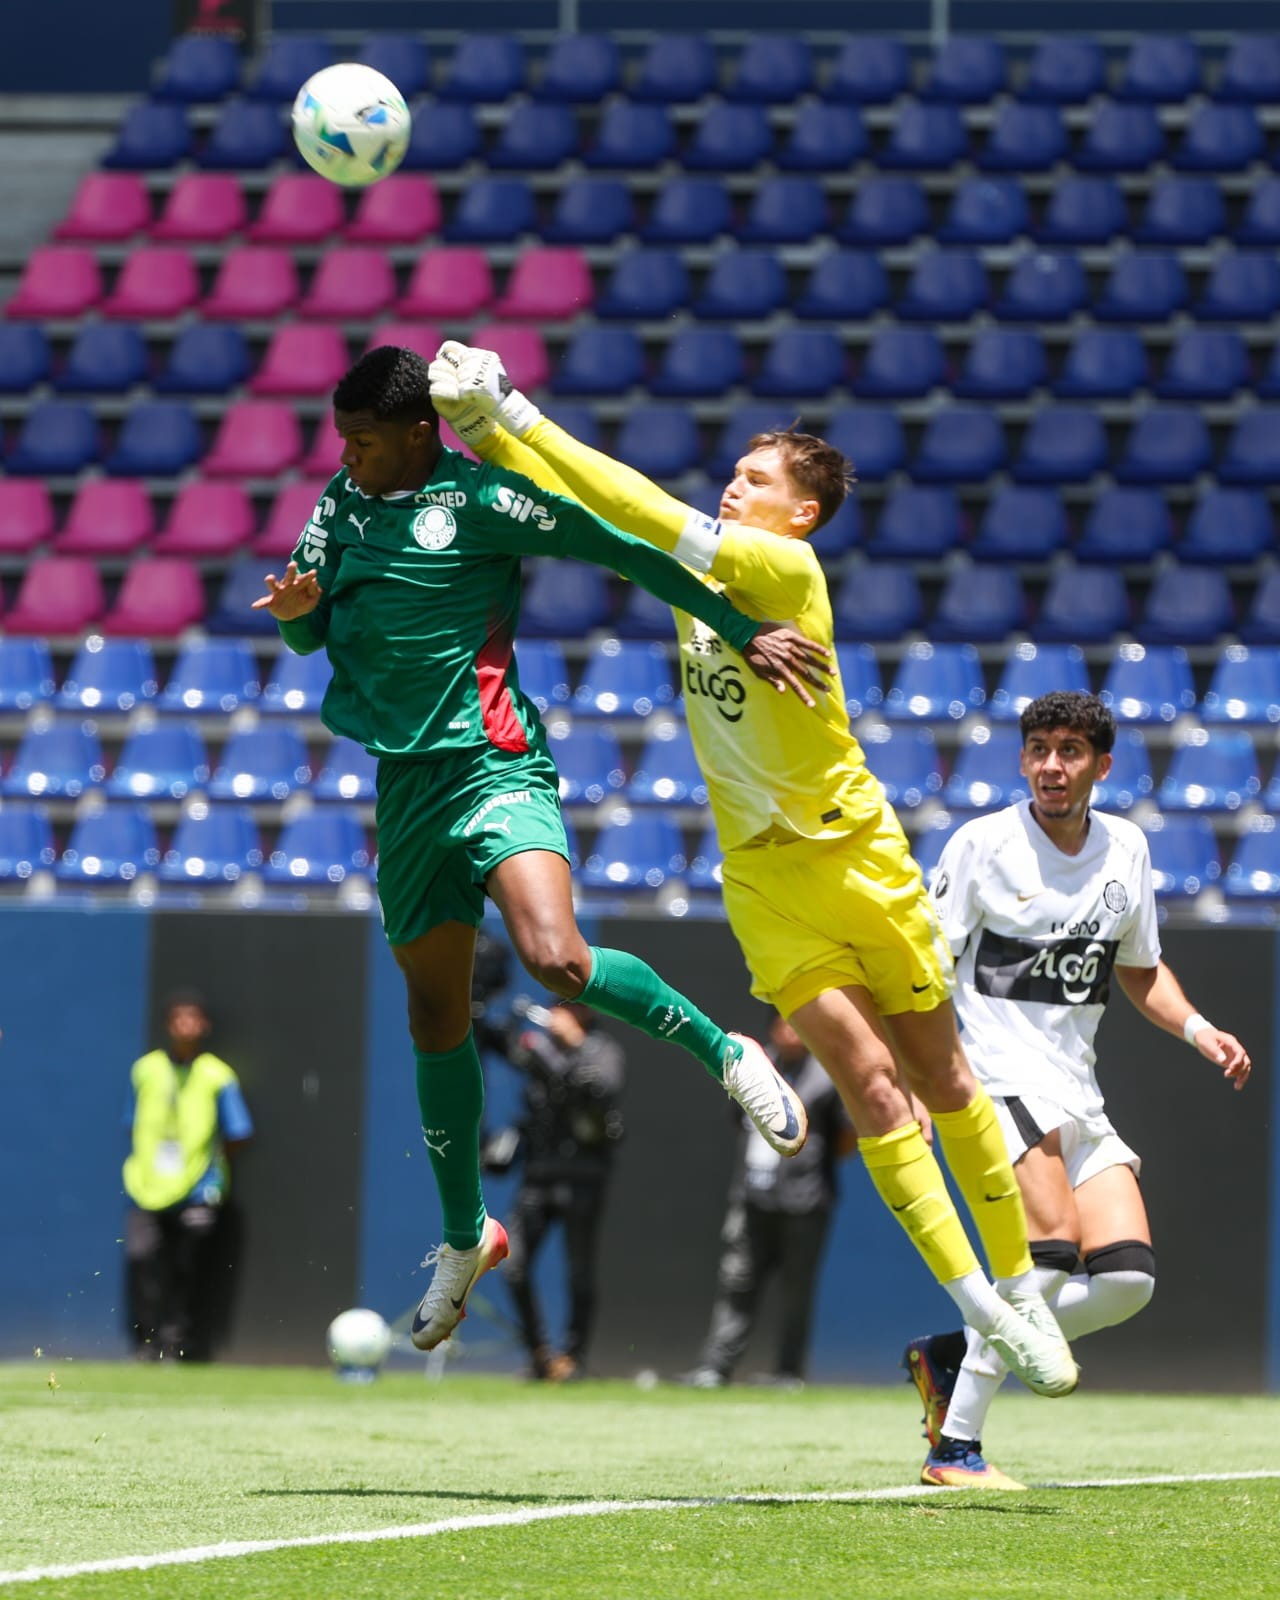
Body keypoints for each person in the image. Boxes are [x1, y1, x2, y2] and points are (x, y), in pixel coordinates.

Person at [425, 341, 1079, 1399]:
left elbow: (633, 499)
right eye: (735, 471)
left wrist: (516, 411)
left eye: (758, 479)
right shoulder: (703, 571)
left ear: (800, 514)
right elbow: (599, 518)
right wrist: (489, 435)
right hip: (761, 879)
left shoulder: (781, 569)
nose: (735, 483)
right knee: (867, 1088)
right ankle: (984, 1309)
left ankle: (1019, 1280)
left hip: (851, 857)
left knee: (939, 1077)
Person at [252, 345, 831, 1355]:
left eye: (366, 441)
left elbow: (619, 546)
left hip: (493, 762)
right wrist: (300, 620)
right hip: (406, 784)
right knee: (436, 1012)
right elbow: (315, 626)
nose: (347, 459)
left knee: (554, 955)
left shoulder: (487, 502)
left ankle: (721, 1050)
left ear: (422, 433)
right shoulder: (340, 506)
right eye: (341, 441)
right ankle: (463, 1232)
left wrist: (738, 624)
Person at [901, 690, 1251, 1489]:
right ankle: (955, 1447)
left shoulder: (1126, 848)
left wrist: (1200, 1029)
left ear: (1101, 764)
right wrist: (921, 1081)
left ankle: (952, 1352)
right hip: (994, 1077)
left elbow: (1137, 966)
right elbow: (923, 973)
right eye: (1038, 751)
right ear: (1022, 759)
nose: (1051, 766)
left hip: (1075, 1089)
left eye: (1069, 751)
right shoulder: (983, 844)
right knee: (1051, 1247)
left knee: (1127, 1279)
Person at [682, 1013, 857, 1390]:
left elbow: (846, 1138)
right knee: (736, 1283)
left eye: (799, 1024)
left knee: (797, 1291)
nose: (792, 1031)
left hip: (805, 1203)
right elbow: (737, 1120)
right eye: (785, 1024)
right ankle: (715, 1368)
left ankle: (788, 1373)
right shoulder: (753, 1066)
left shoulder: (825, 1075)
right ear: (774, 1028)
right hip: (752, 1198)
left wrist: (810, 1162)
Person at [498, 999, 625, 1381]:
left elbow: (602, 1087)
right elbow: (503, 1044)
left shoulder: (603, 1051)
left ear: (584, 1013)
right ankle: (540, 1352)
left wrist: (552, 1054)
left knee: (579, 1273)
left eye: (568, 1009)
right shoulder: (539, 1047)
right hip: (538, 1177)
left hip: (583, 1177)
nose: (558, 1016)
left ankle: (573, 1357)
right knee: (512, 1265)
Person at [123, 991, 253, 1360]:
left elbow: (239, 1131)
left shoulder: (217, 1075)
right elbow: (132, 1123)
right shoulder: (145, 1070)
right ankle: (146, 1345)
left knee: (188, 1269)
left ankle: (180, 1344)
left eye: (192, 1018)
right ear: (168, 1025)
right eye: (178, 1018)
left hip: (197, 1191)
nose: (185, 1026)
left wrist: (207, 1169)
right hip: (146, 1188)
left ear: (204, 1026)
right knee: (143, 1262)